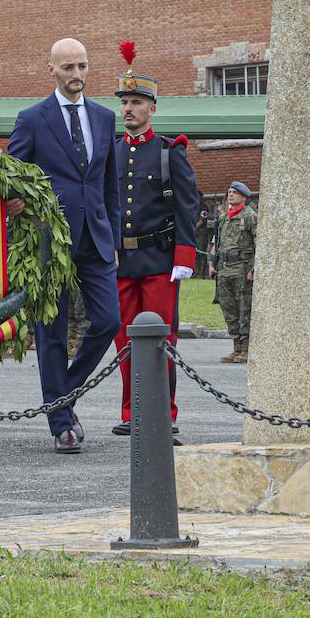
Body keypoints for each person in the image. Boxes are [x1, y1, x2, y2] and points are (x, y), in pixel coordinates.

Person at [7, 38, 122, 455]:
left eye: (83, 66)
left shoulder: (105, 118)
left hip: (96, 236)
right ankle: (62, 426)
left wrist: (113, 237)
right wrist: (16, 202)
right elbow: (11, 175)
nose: (77, 75)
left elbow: (108, 182)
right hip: (48, 240)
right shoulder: (32, 119)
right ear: (52, 69)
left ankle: (63, 395)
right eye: (69, 67)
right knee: (51, 332)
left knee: (109, 320)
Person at [109, 55, 198, 439]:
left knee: (161, 339)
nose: (128, 109)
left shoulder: (168, 150)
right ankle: (132, 413)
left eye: (136, 103)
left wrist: (184, 255)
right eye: (124, 102)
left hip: (160, 260)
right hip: (119, 261)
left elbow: (187, 204)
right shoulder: (110, 151)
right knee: (125, 341)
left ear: (152, 108)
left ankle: (163, 412)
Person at [212, 182, 258, 363]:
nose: (230, 195)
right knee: (228, 307)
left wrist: (253, 269)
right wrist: (212, 263)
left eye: (235, 193)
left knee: (244, 309)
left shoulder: (250, 216)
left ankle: (246, 349)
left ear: (244, 197)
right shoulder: (224, 218)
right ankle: (236, 347)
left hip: (241, 268)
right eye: (229, 192)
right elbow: (217, 241)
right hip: (225, 268)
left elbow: (258, 243)